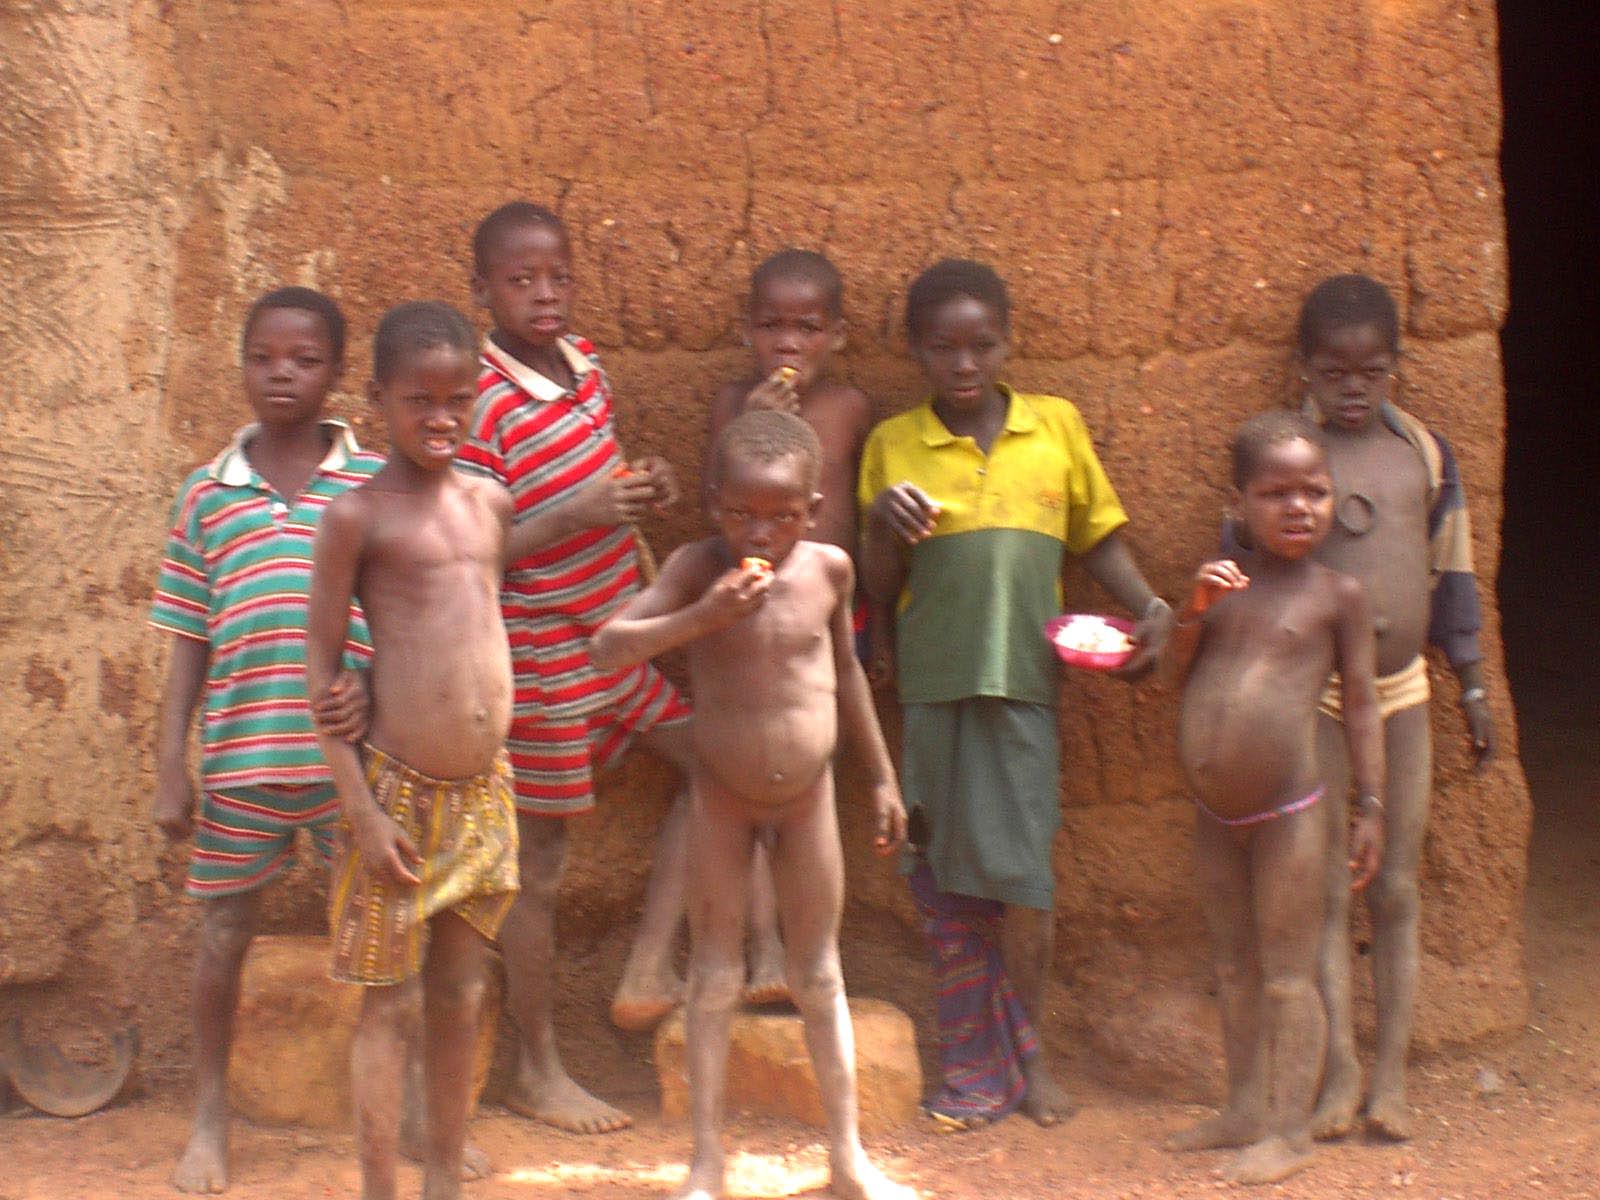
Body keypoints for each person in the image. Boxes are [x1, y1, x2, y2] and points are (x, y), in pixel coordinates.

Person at [857, 259, 1175, 1129]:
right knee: (944, 879)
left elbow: (1097, 537)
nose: (964, 363)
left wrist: (1146, 604)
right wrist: (886, 517)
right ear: (916, 350)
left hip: (1028, 686)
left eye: (982, 344)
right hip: (933, 687)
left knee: (1025, 883)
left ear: (1010, 342)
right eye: (943, 347)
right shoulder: (894, 444)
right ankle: (973, 1057)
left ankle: (1028, 1057)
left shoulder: (1055, 428)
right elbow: (879, 586)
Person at [591, 409, 913, 1200]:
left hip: (809, 800)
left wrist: (880, 779)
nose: (758, 532)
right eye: (740, 513)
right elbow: (608, 646)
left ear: (812, 510)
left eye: (780, 516)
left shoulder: (830, 570)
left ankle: (847, 1160)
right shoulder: (697, 569)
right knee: (713, 974)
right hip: (721, 800)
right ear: (711, 504)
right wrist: (704, 617)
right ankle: (706, 1163)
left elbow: (843, 676)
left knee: (820, 974)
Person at [457, 201, 691, 1130]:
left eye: (557, 275)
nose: (543, 293)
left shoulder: (585, 366)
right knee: (539, 865)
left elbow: (597, 486)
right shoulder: (478, 399)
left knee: (728, 765)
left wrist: (641, 489)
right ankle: (539, 1064)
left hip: (621, 635)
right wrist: (582, 512)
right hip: (543, 652)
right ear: (482, 291)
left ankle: (650, 962)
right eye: (521, 280)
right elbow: (476, 547)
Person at [149, 286, 378, 1194]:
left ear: (337, 372)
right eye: (264, 357)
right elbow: (186, 642)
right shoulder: (206, 496)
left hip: (351, 767)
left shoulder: (373, 484)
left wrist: (375, 688)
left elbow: (403, 615)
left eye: (306, 358)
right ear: (242, 363)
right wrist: (172, 766)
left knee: (380, 944)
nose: (282, 373)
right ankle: (209, 1115)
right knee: (222, 934)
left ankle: (393, 1114)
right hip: (242, 759)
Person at [306, 301, 519, 1200]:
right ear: (379, 399)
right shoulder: (357, 517)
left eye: (457, 400)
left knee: (462, 994)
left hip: (484, 793)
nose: (439, 420)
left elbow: (467, 626)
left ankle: (444, 1180)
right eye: (418, 402)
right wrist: (358, 806)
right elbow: (321, 670)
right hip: (396, 798)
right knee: (388, 1002)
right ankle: (380, 1187)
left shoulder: (491, 503)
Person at [1292, 274, 1498, 1141]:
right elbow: (1248, 563)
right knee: (1330, 890)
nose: (1351, 386)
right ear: (1306, 367)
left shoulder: (1425, 454)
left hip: (1403, 693)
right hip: (1319, 699)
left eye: (1370, 371)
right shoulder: (1289, 458)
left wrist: (1475, 681)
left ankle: (1391, 1081)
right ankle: (1337, 1071)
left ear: (1395, 369)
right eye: (1335, 371)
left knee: (1398, 887)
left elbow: (1454, 573)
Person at [1166, 410, 1386, 1185]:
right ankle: (1245, 1107)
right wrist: (1191, 611)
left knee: (1289, 971)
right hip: (1216, 814)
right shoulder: (1219, 587)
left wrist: (1371, 807)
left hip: (1291, 812)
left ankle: (1290, 1131)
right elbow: (1171, 670)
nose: (1298, 507)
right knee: (1233, 964)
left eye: (1315, 492)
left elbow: (1361, 703)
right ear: (1239, 505)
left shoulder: (1338, 595)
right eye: (1276, 493)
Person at [703, 248, 875, 1005]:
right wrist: (752, 426)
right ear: (747, 332)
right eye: (771, 326)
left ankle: (809, 953)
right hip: (744, 610)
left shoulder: (847, 409)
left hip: (826, 612)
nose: (788, 344)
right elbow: (718, 494)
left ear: (834, 336)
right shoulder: (730, 402)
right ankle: (763, 949)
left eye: (806, 329)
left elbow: (860, 515)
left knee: (809, 778)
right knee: (747, 775)